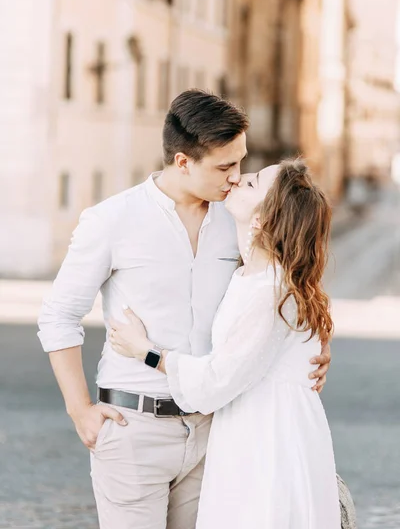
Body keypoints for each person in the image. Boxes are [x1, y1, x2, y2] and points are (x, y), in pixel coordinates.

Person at [37, 90, 331, 529]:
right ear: (182, 162)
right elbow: (58, 317)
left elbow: (286, 283)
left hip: (216, 435)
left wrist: (313, 349)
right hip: (135, 428)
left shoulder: (238, 222)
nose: (236, 178)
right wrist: (79, 409)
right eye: (224, 167)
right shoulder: (111, 220)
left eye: (241, 162)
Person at [108, 159, 340, 529]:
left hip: (268, 442)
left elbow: (218, 379)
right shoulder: (251, 276)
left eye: (252, 184)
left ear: (264, 219)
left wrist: (145, 351)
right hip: (248, 430)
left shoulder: (271, 291)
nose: (239, 178)